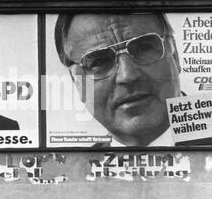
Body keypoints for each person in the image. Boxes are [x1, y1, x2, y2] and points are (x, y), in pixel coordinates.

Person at [54, 13, 183, 146]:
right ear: (77, 83)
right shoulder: (78, 164)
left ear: (175, 55)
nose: (128, 76)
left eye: (143, 48)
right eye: (99, 61)